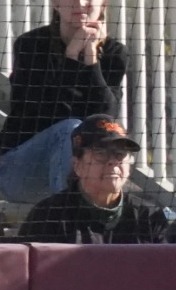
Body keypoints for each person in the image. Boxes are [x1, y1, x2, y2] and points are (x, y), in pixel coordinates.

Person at [0, 0, 129, 206]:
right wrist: (71, 56)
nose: (79, 3)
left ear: (103, 4)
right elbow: (48, 113)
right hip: (16, 172)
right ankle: (67, 222)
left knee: (108, 146)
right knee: (70, 129)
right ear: (56, 4)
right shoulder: (30, 45)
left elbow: (106, 117)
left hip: (81, 171)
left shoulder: (115, 52)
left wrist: (90, 58)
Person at [17, 114, 169, 243]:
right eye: (101, 153)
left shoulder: (149, 217)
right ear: (77, 165)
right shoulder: (48, 217)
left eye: (120, 154)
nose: (112, 161)